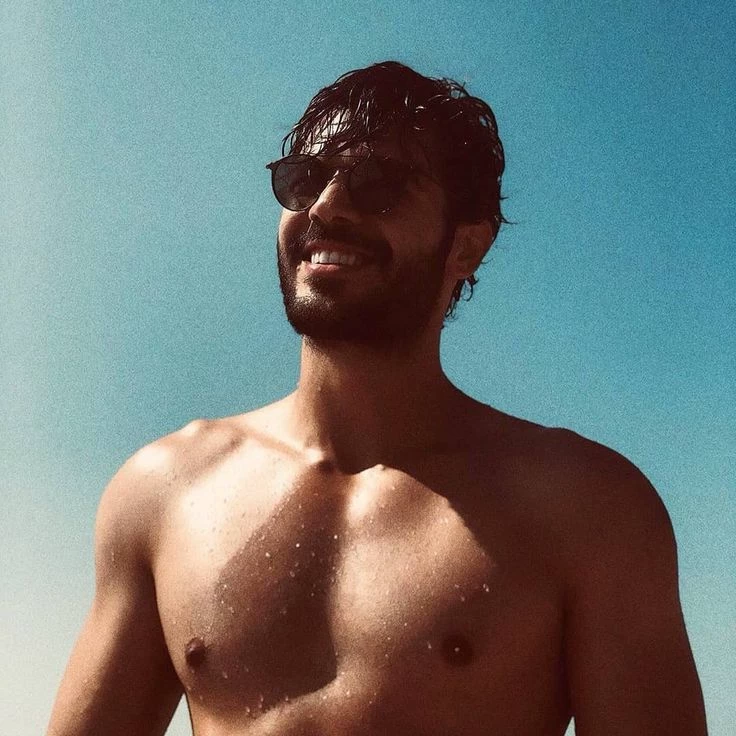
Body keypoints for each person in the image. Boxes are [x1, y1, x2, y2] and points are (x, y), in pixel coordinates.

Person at [47, 61, 707, 736]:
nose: (326, 208)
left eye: (379, 186)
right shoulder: (164, 492)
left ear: (466, 247)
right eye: (304, 179)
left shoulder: (585, 510)